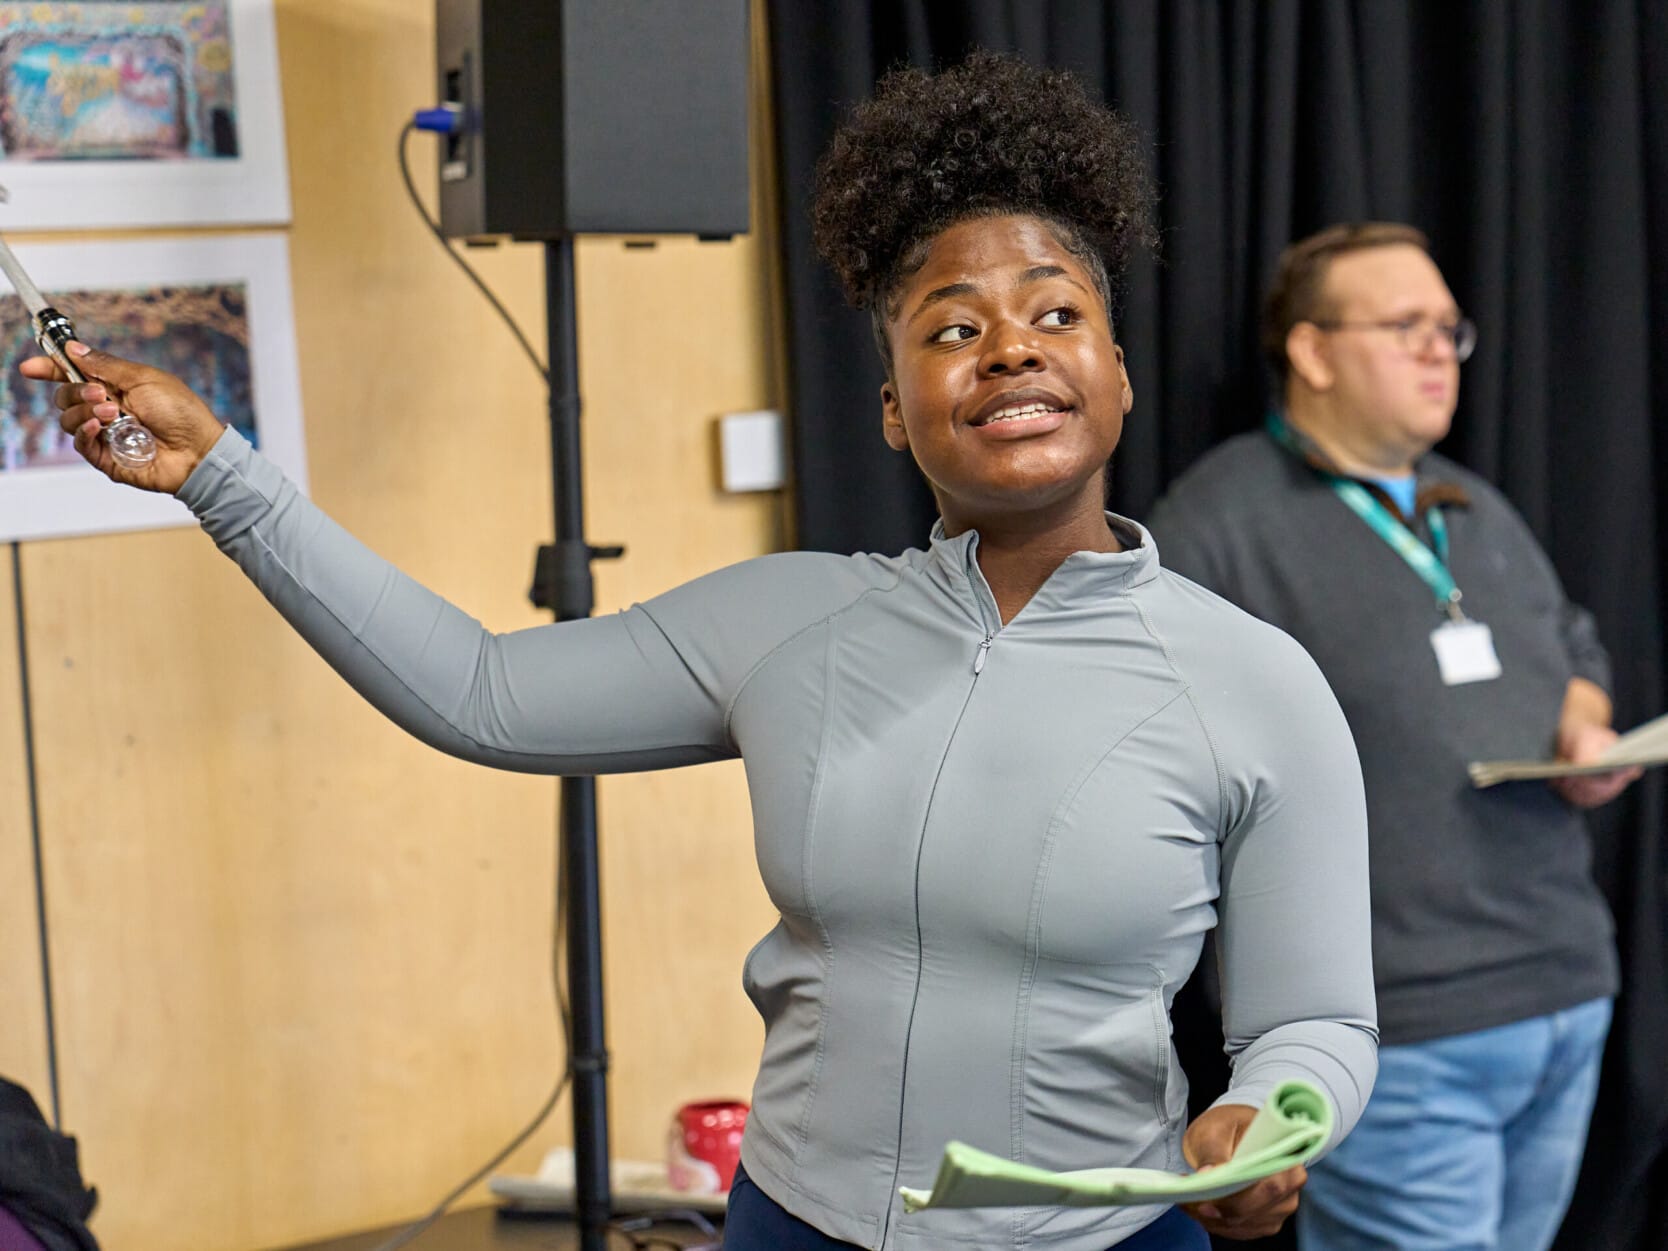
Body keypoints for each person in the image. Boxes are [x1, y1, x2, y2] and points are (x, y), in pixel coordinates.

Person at [22, 54, 1377, 1251]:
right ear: (894, 408)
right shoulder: (789, 620)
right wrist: (223, 476)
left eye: (1056, 315)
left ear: (1119, 374)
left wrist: (1273, 1114)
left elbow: (1316, 1022)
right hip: (790, 1224)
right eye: (953, 328)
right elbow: (480, 690)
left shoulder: (1255, 683)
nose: (1011, 349)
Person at [1147, 222, 1640, 1251]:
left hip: (1563, 988)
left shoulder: (1475, 502)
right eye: (1406, 325)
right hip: (1399, 1028)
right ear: (1313, 352)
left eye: (1449, 330)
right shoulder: (1217, 524)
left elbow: (1575, 642)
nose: (1438, 352)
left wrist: (1585, 720)